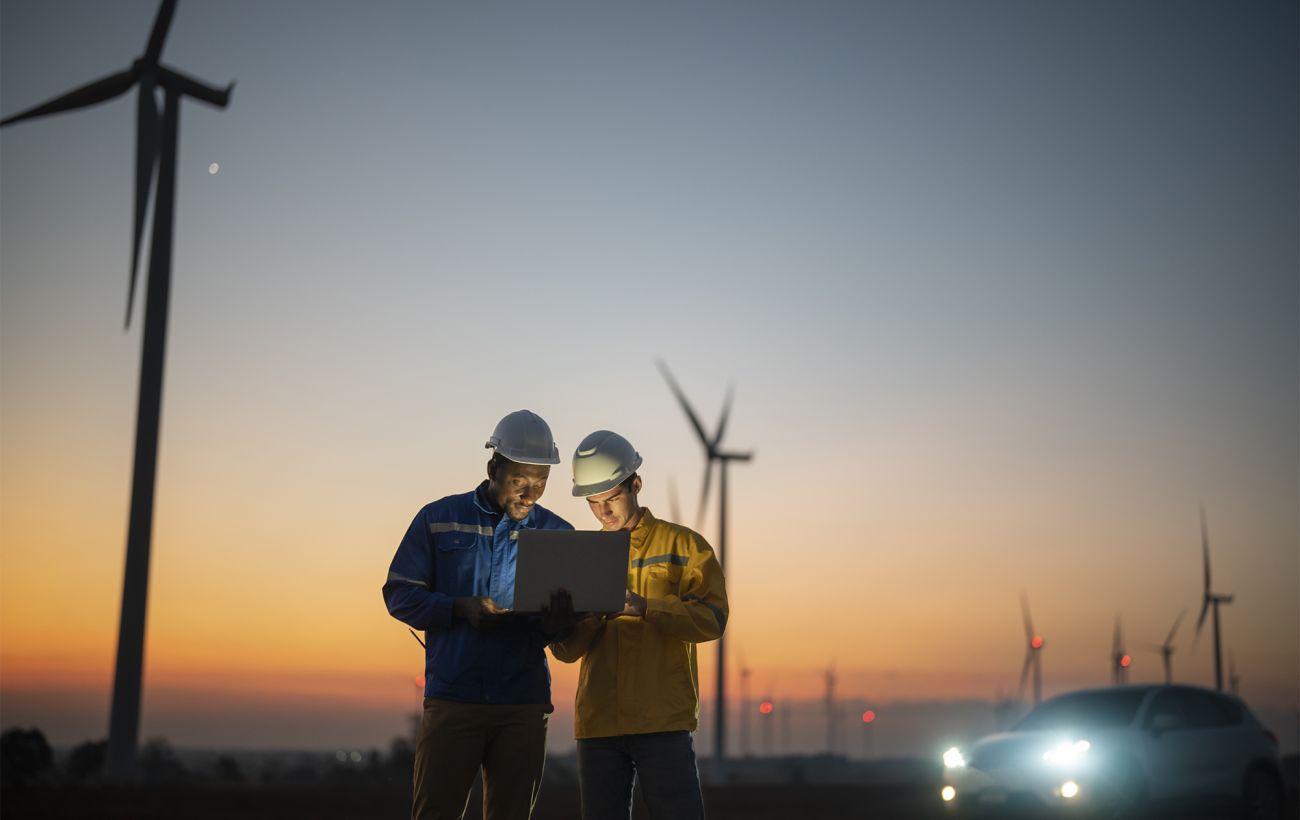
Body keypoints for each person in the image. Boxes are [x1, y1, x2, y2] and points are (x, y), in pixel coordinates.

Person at [383, 410, 575, 820]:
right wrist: (457, 607)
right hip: (454, 698)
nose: (529, 494)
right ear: (493, 468)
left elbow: (566, 637)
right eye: (518, 481)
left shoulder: (560, 536)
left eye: (540, 484)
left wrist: (560, 626)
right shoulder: (438, 520)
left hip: (522, 703)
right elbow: (399, 594)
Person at [549, 430, 728, 820]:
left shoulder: (685, 547)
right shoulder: (581, 557)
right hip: (599, 723)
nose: (604, 512)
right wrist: (573, 622)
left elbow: (713, 620)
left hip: (662, 720)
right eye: (594, 503)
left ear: (636, 484)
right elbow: (565, 652)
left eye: (612, 498)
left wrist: (647, 607)